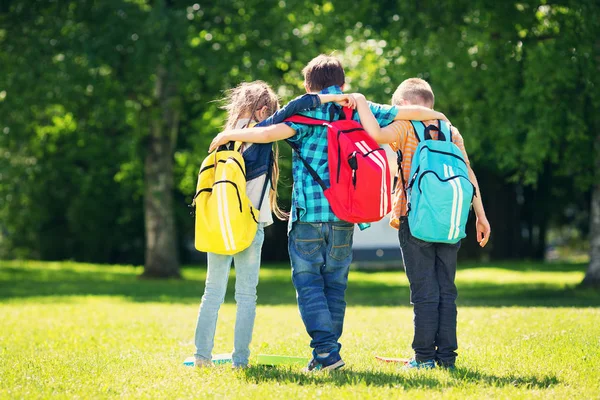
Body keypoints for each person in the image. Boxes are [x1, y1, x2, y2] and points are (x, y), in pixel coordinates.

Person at [208, 55, 448, 371]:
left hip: (308, 214)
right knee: (335, 286)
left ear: (308, 86)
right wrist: (437, 115)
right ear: (342, 84)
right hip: (345, 214)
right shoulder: (359, 109)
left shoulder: (303, 112)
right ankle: (326, 355)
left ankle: (325, 353)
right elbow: (409, 112)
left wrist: (228, 135)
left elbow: (266, 134)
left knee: (309, 285)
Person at [193, 80, 352, 368]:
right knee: (246, 296)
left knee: (211, 293)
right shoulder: (261, 133)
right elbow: (298, 105)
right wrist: (331, 97)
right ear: (264, 108)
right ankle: (240, 360)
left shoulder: (224, 140)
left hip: (220, 225)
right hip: (249, 227)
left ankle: (201, 357)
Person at [358, 78, 492, 369]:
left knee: (424, 293)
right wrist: (480, 216)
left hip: (414, 218)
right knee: (447, 290)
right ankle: (446, 358)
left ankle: (423, 358)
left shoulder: (405, 126)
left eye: (397, 107)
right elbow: (468, 174)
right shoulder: (450, 131)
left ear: (406, 104)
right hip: (451, 222)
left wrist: (360, 102)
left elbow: (375, 135)